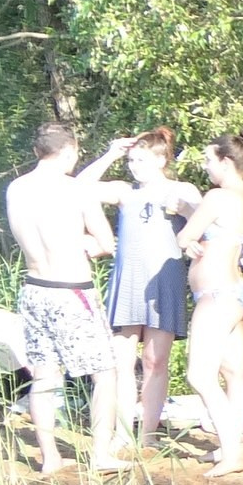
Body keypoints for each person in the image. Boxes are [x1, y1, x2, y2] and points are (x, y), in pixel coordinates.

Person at [2, 122, 126, 475]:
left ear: (37, 151)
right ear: (70, 151)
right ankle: (101, 455)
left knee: (44, 376)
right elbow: (106, 243)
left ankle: (50, 458)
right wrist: (89, 244)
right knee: (105, 373)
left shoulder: (16, 188)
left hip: (34, 288)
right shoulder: (76, 190)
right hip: (72, 291)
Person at [100, 127, 201, 448]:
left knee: (155, 362)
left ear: (160, 160)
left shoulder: (181, 189)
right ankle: (122, 434)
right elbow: (78, 188)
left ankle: (148, 435)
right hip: (127, 281)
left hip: (164, 283)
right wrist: (111, 154)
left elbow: (209, 222)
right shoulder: (124, 191)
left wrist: (186, 209)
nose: (134, 167)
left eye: (140, 160)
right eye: (131, 161)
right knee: (120, 363)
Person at [176, 132, 243, 477]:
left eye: (209, 160)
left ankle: (232, 454)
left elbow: (186, 235)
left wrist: (186, 236)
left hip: (217, 295)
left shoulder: (217, 196)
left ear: (226, 162)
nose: (205, 166)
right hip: (236, 292)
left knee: (199, 375)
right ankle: (230, 446)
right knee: (233, 373)